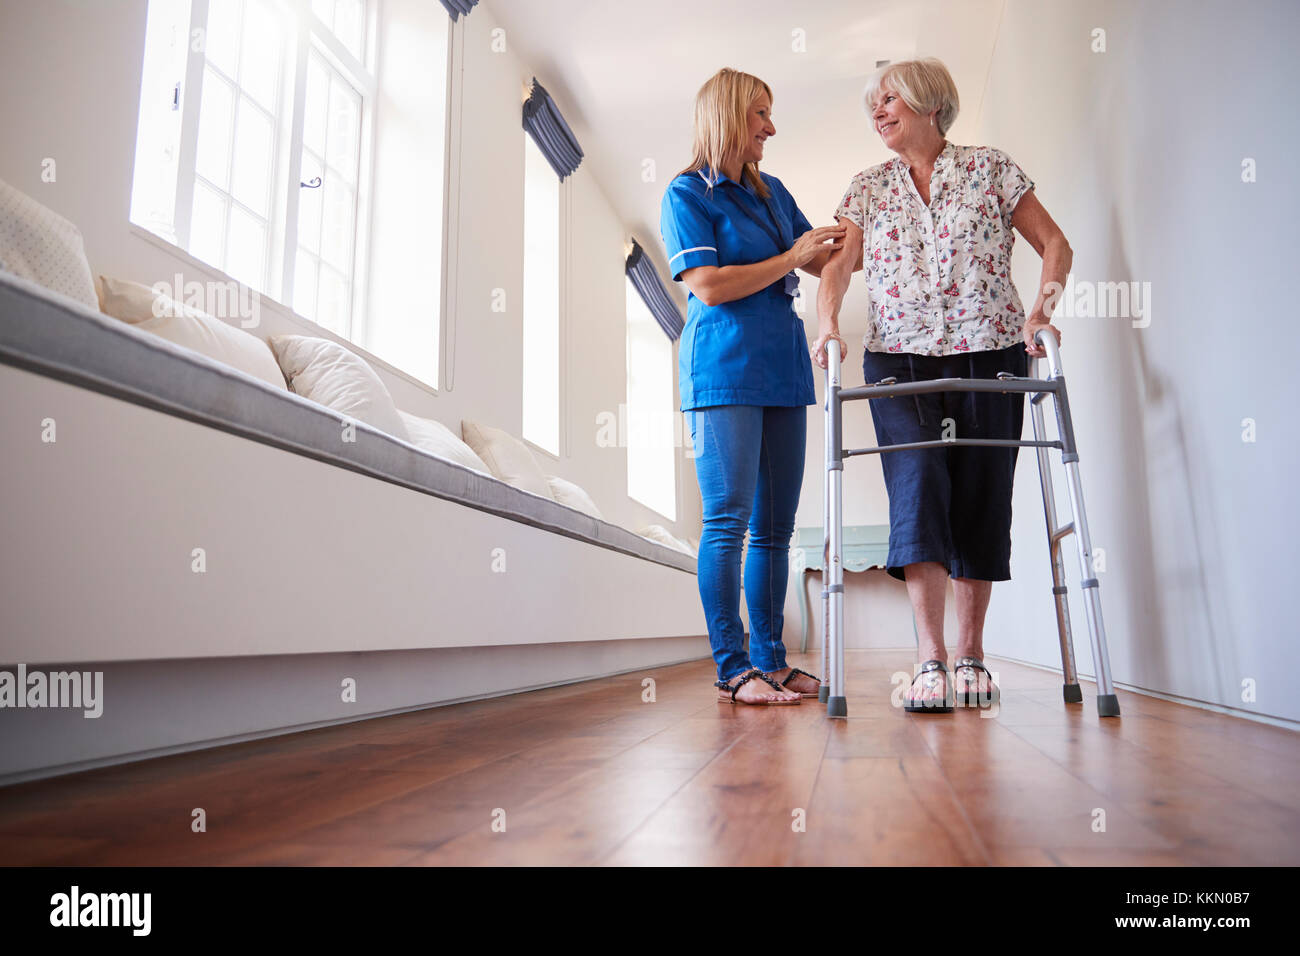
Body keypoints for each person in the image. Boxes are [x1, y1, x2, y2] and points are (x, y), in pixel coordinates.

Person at [813, 57, 1071, 712]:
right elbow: (838, 271)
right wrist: (827, 323)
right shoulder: (868, 187)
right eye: (873, 103)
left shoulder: (991, 168)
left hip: (994, 350)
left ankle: (971, 653)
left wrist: (1042, 310)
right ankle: (929, 657)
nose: (878, 110)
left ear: (930, 103)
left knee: (983, 491)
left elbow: (1055, 244)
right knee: (919, 479)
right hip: (900, 357)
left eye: (890, 98)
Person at [661, 68, 846, 705]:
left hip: (783, 366)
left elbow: (820, 259)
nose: (770, 127)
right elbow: (709, 286)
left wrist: (854, 230)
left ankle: (773, 658)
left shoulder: (772, 194)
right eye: (759, 114)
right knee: (729, 522)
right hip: (724, 369)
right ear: (728, 117)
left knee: (776, 527)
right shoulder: (687, 194)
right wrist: (794, 257)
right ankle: (733, 667)